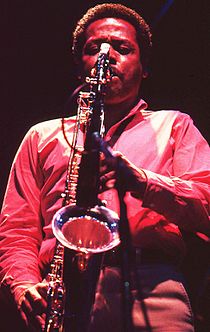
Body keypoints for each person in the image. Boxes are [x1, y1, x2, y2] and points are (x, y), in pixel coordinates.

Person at [0, 3, 210, 332]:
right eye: (94, 47)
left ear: (144, 68)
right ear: (78, 65)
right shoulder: (40, 136)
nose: (106, 54)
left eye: (123, 48)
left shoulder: (175, 126)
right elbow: (17, 229)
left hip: (152, 291)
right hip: (61, 293)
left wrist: (141, 182)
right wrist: (23, 286)